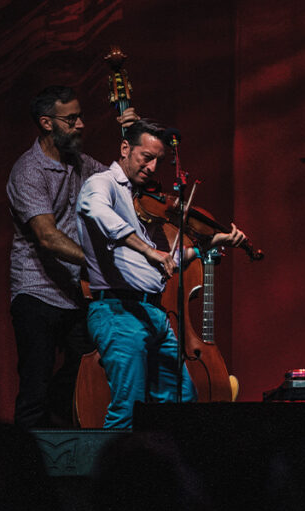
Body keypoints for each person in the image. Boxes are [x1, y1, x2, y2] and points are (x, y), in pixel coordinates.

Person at [77, 120, 245, 428]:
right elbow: (96, 212)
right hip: (119, 311)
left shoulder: (137, 198)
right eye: (146, 156)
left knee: (180, 400)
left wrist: (210, 243)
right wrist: (147, 249)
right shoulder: (101, 184)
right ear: (125, 148)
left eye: (159, 160)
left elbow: (165, 262)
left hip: (153, 314)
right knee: (127, 409)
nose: (153, 167)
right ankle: (113, 475)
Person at [6, 85, 136, 428]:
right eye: (71, 119)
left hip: (76, 293)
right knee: (35, 383)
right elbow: (47, 237)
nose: (80, 125)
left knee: (83, 373)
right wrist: (102, 262)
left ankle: (64, 451)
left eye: (80, 117)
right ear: (47, 123)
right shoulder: (28, 171)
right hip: (37, 291)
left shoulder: (79, 163)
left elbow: (122, 180)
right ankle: (23, 469)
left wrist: (133, 139)